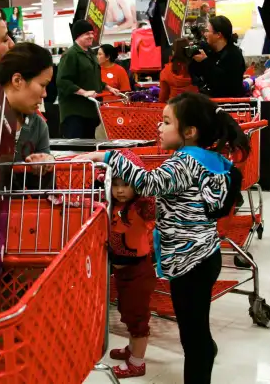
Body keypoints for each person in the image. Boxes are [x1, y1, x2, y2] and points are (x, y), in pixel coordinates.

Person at [77, 92, 250, 384]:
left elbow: (148, 183)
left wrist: (106, 155)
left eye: (166, 121)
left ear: (189, 131)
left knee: (193, 337)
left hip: (190, 262)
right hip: (205, 254)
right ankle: (205, 350)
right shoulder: (212, 159)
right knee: (196, 329)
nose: (159, 127)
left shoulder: (185, 161)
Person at [104, 151, 157, 379]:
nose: (120, 190)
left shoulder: (141, 207)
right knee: (127, 313)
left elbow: (150, 196)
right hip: (121, 273)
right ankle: (131, 349)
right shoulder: (111, 205)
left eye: (126, 184)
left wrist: (139, 177)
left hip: (139, 272)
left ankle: (137, 362)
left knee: (137, 318)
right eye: (115, 184)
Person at [0, 42, 55, 169]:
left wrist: (46, 164)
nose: (44, 94)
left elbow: (45, 188)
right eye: (42, 85)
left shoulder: (38, 127)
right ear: (17, 80)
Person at [57, 20, 119, 139]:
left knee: (88, 149)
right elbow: (63, 82)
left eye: (92, 33)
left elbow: (93, 79)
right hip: (75, 113)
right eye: (87, 33)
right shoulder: (71, 54)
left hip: (90, 112)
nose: (91, 36)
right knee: (76, 150)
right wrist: (84, 92)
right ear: (78, 36)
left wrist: (109, 88)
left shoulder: (91, 53)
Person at [190, 15, 247, 98]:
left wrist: (205, 61)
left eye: (207, 31)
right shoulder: (210, 51)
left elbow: (225, 83)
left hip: (229, 104)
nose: (205, 34)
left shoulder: (234, 54)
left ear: (218, 35)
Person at [159, 38, 198, 103]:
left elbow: (163, 95)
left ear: (173, 52)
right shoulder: (197, 67)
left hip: (174, 107)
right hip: (195, 105)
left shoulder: (166, 71)